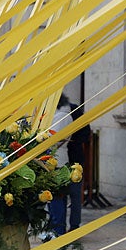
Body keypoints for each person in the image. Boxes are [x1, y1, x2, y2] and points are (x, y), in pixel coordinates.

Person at [48, 95, 82, 235]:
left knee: (58, 197)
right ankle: (55, 228)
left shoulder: (62, 116)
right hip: (55, 160)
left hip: (58, 161)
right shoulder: (59, 115)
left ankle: (58, 229)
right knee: (55, 197)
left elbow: (52, 138)